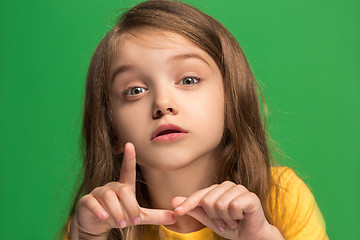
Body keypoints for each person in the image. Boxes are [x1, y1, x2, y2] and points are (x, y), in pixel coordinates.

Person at [63, 0, 328, 239]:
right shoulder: (95, 224)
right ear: (111, 132)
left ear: (231, 99)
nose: (162, 103)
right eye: (135, 91)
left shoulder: (282, 198)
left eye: (189, 80)